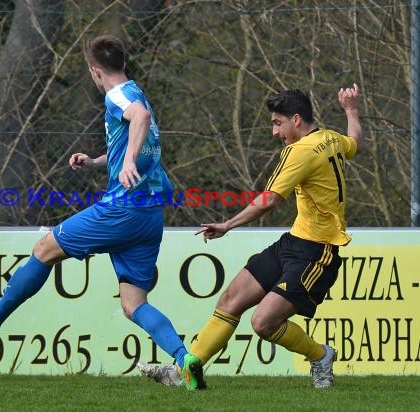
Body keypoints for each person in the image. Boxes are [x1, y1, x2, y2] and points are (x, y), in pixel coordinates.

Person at [0, 34, 205, 390]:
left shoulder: (120, 96)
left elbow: (140, 120)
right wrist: (97, 162)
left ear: (95, 71)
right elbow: (136, 139)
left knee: (44, 249)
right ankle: (185, 359)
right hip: (150, 217)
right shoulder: (136, 90)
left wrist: (128, 159)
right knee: (134, 304)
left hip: (122, 211)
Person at [138, 84, 363, 389]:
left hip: (317, 251)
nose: (274, 131)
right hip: (293, 241)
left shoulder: (300, 152)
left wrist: (228, 224)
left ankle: (320, 355)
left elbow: (269, 200)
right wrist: (351, 110)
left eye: (277, 123)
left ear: (296, 120)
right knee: (231, 300)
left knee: (263, 323)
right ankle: (182, 374)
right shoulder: (330, 139)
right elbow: (354, 143)